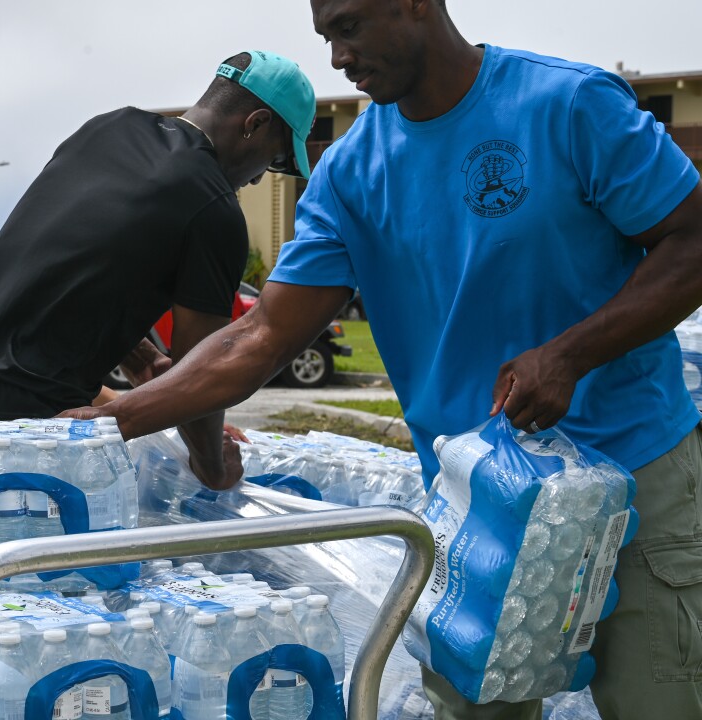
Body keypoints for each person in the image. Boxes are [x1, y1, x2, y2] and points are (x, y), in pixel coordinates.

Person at [64, 1, 702, 718]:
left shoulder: (567, 104)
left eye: (350, 26)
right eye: (327, 36)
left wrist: (571, 354)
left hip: (635, 474)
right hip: (479, 508)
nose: (338, 58)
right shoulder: (351, 173)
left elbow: (691, 241)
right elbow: (262, 335)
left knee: (660, 701)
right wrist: (112, 420)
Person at [0, 51, 316, 551]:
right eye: (273, 161)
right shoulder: (213, 205)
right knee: (33, 613)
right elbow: (201, 367)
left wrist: (140, 357)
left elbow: (70, 255)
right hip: (18, 416)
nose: (257, 179)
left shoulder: (106, 129)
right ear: (255, 123)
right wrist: (211, 462)